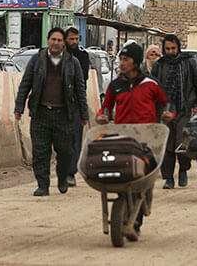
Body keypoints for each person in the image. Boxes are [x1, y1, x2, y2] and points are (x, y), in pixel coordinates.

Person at [96, 43, 172, 237]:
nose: (122, 63)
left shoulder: (150, 84)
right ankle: (127, 215)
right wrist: (102, 116)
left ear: (136, 62)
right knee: (121, 172)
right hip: (122, 137)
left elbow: (166, 103)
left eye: (126, 60)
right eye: (121, 59)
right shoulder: (115, 85)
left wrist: (168, 114)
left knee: (143, 177)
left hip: (145, 139)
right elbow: (105, 107)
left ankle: (137, 219)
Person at [15, 27, 88, 197]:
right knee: (40, 152)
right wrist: (19, 107)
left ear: (64, 43)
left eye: (60, 40)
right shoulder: (37, 60)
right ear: (48, 41)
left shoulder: (73, 63)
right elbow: (25, 85)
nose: (56, 43)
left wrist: (84, 114)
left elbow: (80, 90)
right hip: (41, 113)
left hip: (64, 115)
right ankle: (43, 185)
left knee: (65, 152)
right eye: (53, 39)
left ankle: (62, 178)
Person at [150, 34, 197, 190]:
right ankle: (168, 178)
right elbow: (152, 89)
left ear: (178, 47)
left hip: (185, 110)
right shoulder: (159, 65)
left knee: (182, 144)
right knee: (166, 146)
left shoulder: (189, 62)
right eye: (167, 49)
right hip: (165, 111)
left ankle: (183, 170)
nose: (171, 52)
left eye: (173, 48)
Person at [64, 27, 90, 188]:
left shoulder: (83, 56)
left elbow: (83, 80)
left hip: (75, 103)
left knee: (75, 139)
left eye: (76, 39)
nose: (74, 42)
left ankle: (70, 172)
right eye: (71, 39)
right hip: (57, 104)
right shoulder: (56, 56)